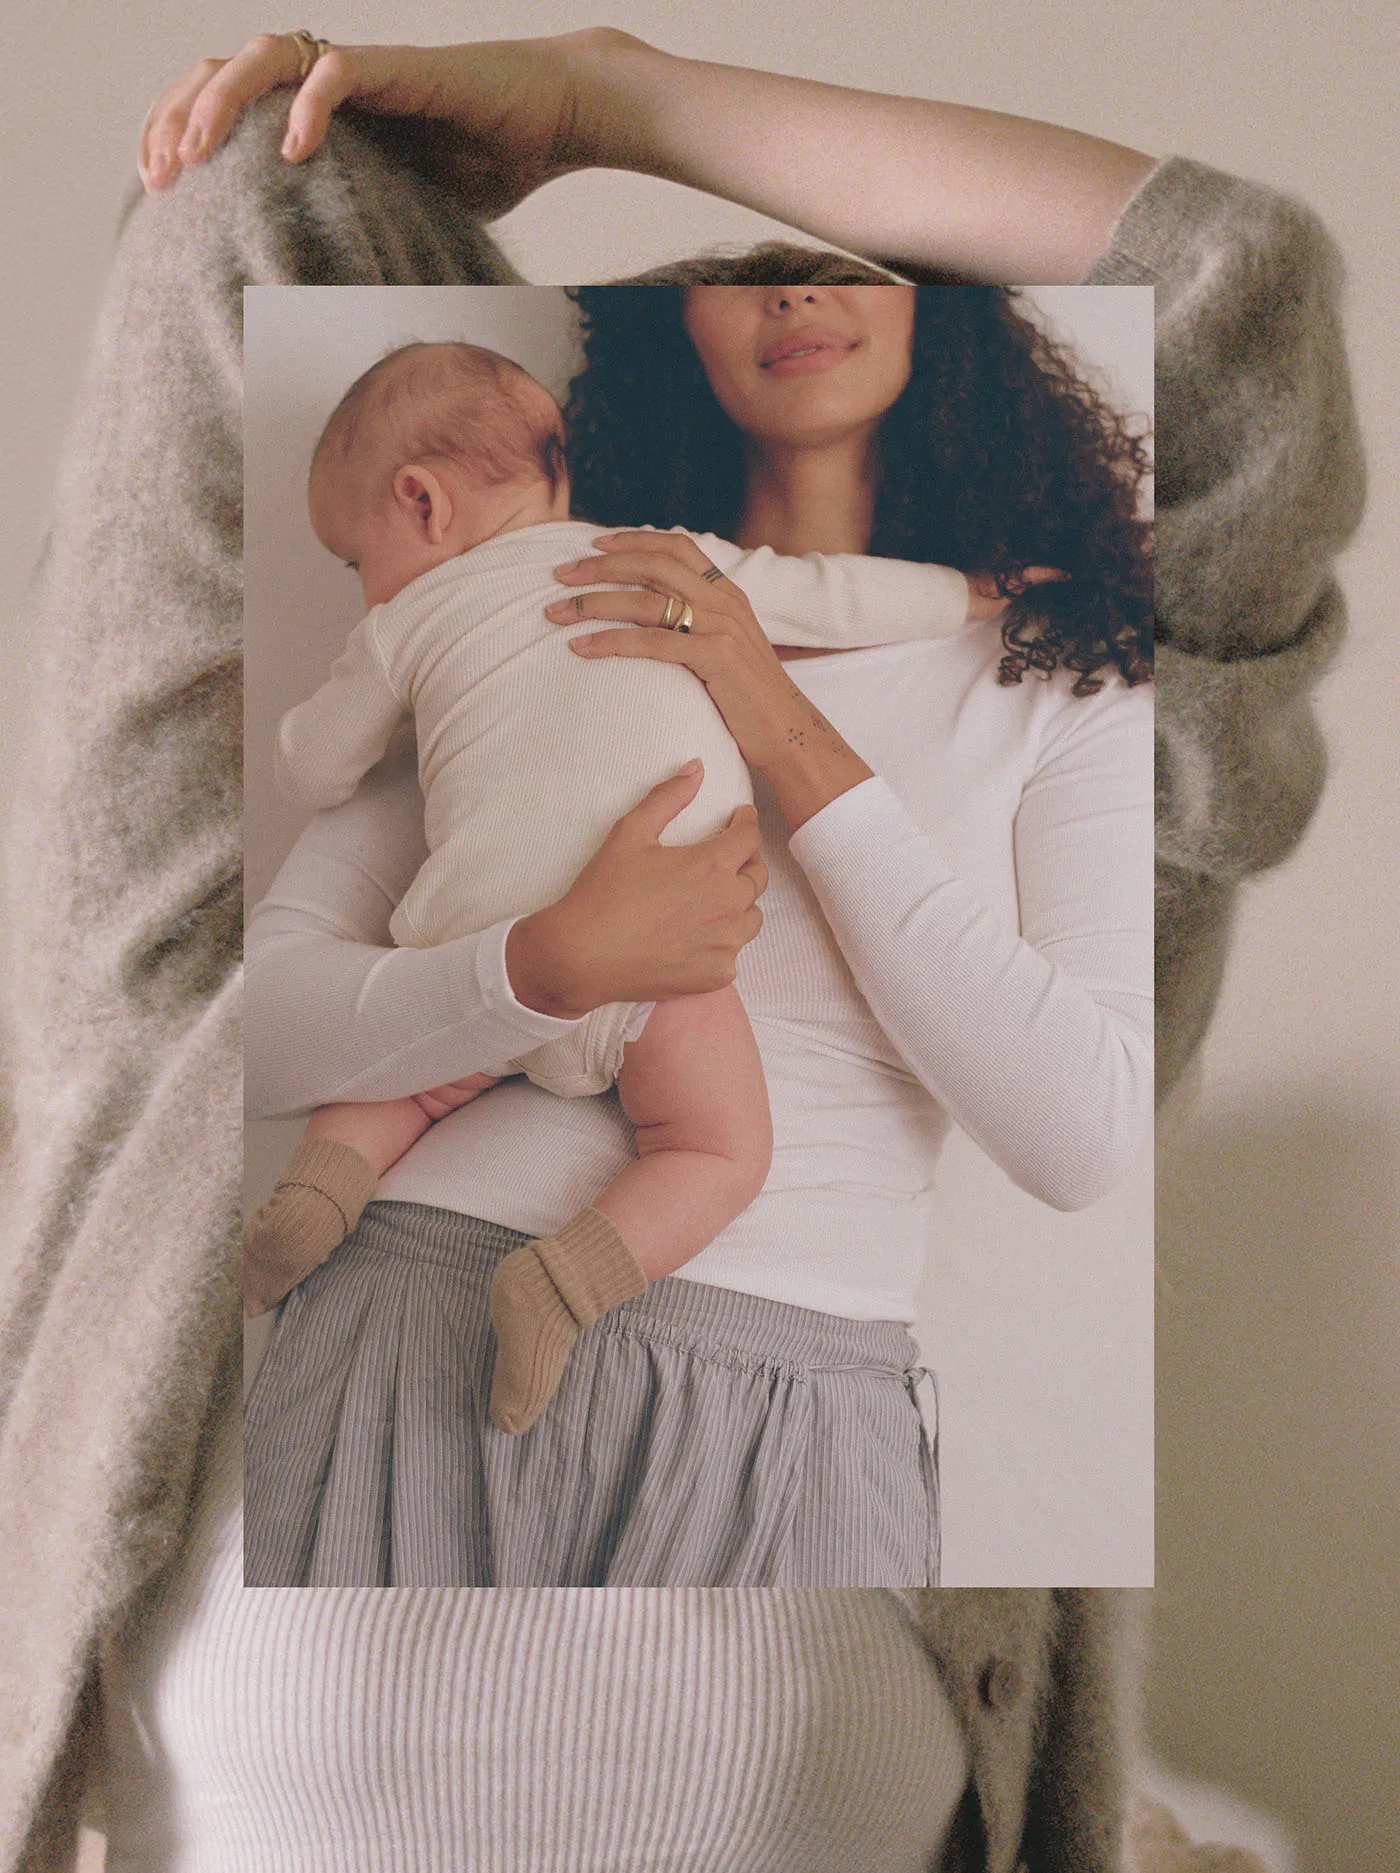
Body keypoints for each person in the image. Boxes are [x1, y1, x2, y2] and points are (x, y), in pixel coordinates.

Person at [0, 25, 1362, 1872]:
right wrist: (535, 951)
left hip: (797, 1320)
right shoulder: (230, 946)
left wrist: (626, 102)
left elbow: (1238, 309)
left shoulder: (1045, 792)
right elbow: (268, 200)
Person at [251, 336, 998, 1437]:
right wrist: (968, 596)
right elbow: (826, 597)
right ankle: (560, 1285)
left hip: (476, 934)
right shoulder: (656, 563)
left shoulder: (401, 625)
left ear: (421, 501)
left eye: (351, 556)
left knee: (408, 1080)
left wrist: (336, 691)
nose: (361, 584)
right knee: (717, 1149)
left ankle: (313, 1194)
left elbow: (315, 768)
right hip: (667, 967)